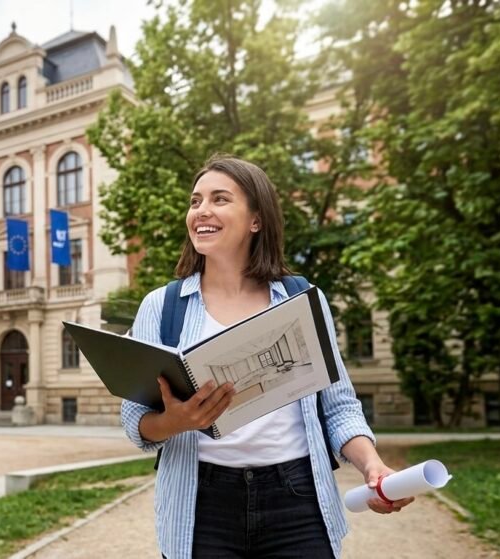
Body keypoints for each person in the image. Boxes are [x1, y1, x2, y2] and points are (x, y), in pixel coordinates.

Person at [120, 155, 414, 559]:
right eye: (195, 201)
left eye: (220, 199)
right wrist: (174, 421)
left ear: (256, 220)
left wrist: (372, 466)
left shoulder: (302, 298)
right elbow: (134, 419)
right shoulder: (162, 306)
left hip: (298, 500)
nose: (202, 210)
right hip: (200, 504)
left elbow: (339, 405)